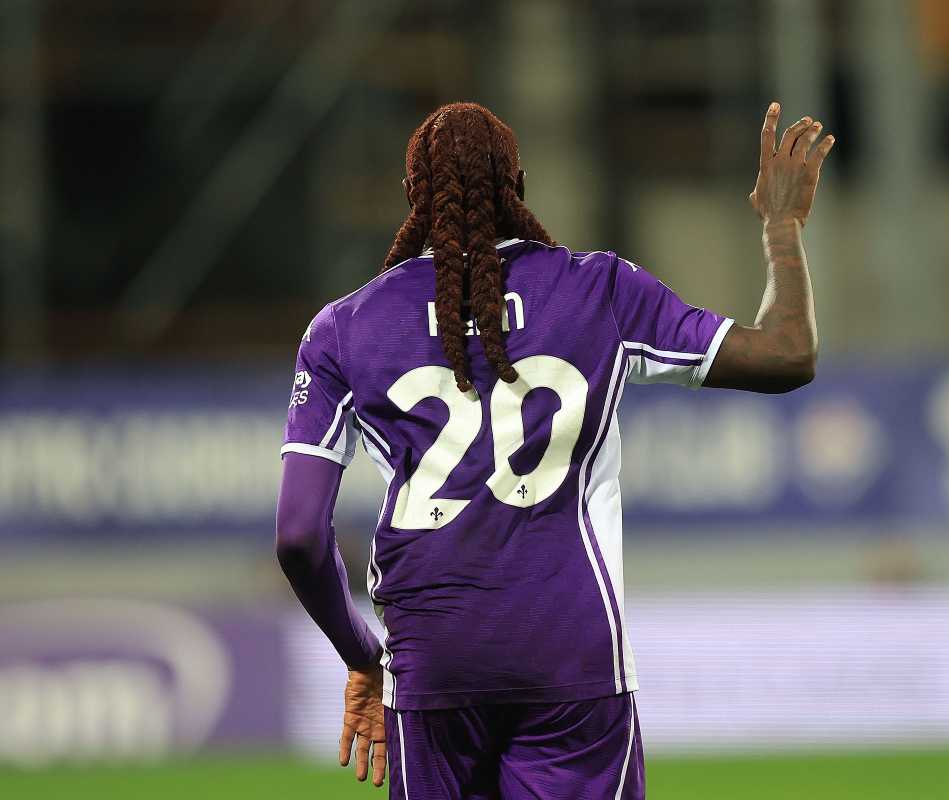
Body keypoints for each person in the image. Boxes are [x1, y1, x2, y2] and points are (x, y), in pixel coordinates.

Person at [275, 100, 832, 799]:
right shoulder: (598, 288)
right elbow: (786, 354)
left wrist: (363, 658)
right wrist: (782, 226)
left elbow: (298, 536)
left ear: (412, 197)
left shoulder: (341, 328)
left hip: (431, 658)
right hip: (572, 650)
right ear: (521, 186)